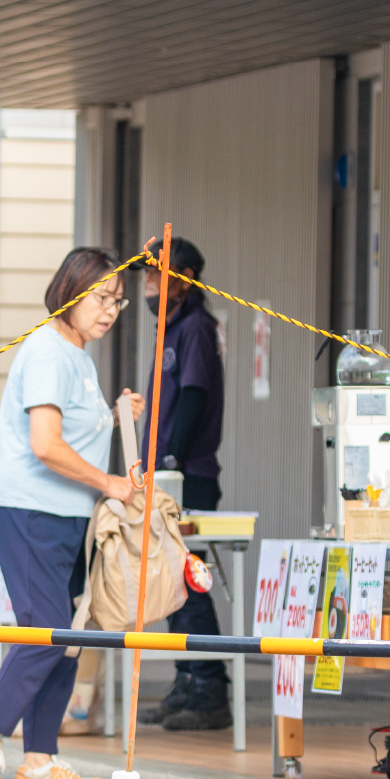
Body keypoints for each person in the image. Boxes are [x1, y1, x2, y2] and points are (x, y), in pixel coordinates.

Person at [0, 247, 140, 779]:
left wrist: (114, 417)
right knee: (44, 632)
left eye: (119, 302)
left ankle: (38, 760)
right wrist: (110, 484)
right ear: (72, 292)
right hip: (31, 508)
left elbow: (71, 427)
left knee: (67, 635)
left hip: (67, 513)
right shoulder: (48, 351)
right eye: (101, 298)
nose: (109, 311)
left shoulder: (78, 354)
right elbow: (45, 444)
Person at [139, 237, 230, 732]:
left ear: (186, 276)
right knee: (172, 583)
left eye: (158, 274)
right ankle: (186, 680)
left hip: (187, 477)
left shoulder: (195, 327)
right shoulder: (170, 327)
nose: (150, 284)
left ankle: (210, 689)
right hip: (166, 475)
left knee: (190, 583)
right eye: (147, 276)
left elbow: (192, 397)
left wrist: (170, 458)